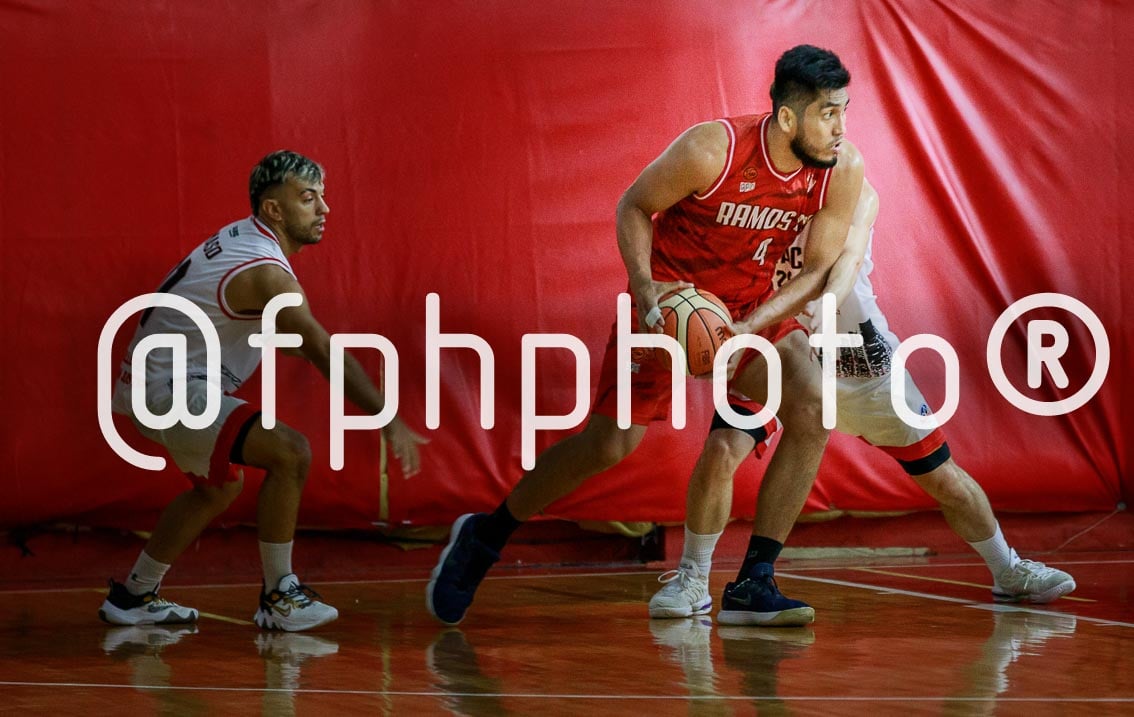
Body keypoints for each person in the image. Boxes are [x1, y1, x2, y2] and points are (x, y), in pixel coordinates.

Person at [427, 45, 864, 627]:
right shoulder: (714, 149)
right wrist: (644, 288)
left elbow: (814, 272)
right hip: (670, 305)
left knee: (813, 403)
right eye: (828, 113)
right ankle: (487, 534)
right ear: (789, 118)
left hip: (749, 312)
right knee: (611, 443)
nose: (840, 127)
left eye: (844, 110)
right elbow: (634, 206)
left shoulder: (841, 169)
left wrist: (747, 327)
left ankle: (755, 579)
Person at [647, 178, 1076, 620]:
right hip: (782, 347)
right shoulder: (763, 196)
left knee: (942, 478)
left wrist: (813, 308)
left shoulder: (857, 193)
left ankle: (1008, 570)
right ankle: (694, 578)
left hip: (858, 361)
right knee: (722, 447)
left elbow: (842, 269)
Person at [101, 150, 427, 631]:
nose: (324, 209)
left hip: (152, 383)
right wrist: (386, 415)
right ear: (274, 210)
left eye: (322, 197)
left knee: (218, 488)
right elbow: (317, 346)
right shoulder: (266, 270)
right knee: (291, 453)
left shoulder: (244, 238)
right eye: (308, 198)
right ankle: (279, 595)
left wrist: (312, 348)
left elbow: (271, 332)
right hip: (171, 389)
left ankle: (133, 595)